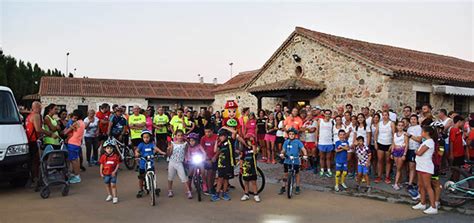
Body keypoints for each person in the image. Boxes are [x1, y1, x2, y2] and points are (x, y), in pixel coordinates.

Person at [25, 102, 58, 185]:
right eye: (40, 107)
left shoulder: (29, 116)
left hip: (30, 140)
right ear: (37, 107)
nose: (41, 109)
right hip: (34, 140)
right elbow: (38, 129)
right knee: (36, 161)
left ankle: (33, 178)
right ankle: (36, 179)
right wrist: (50, 134)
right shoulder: (36, 116)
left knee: (33, 160)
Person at [412, 126, 438, 215]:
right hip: (420, 166)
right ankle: (422, 203)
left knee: (428, 186)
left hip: (426, 167)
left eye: (422, 131)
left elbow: (420, 153)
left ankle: (433, 206)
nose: (421, 133)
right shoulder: (425, 141)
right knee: (421, 185)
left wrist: (415, 151)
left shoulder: (430, 142)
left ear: (426, 133)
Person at [135, 130, 167, 198]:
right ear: (142, 138)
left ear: (150, 137)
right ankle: (141, 190)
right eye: (144, 137)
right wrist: (137, 153)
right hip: (143, 163)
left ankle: (154, 187)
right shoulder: (141, 145)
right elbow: (137, 150)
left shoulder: (151, 144)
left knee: (153, 175)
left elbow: (156, 149)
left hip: (150, 163)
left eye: (147, 137)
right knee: (141, 177)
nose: (146, 139)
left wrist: (162, 152)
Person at [278, 128, 308, 195]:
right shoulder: (286, 142)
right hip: (287, 160)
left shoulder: (298, 142)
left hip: (296, 160)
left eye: (293, 134)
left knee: (297, 174)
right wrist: (282, 153)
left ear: (295, 135)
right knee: (285, 174)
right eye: (290, 134)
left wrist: (305, 155)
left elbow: (303, 149)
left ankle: (297, 187)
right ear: (288, 135)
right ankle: (283, 186)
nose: (291, 135)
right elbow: (283, 150)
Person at [211, 129, 236, 202]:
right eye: (219, 136)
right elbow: (215, 150)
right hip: (221, 164)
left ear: (225, 136)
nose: (220, 138)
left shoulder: (230, 141)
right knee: (220, 179)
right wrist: (216, 141)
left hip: (229, 164)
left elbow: (234, 132)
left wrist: (225, 127)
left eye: (221, 136)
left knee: (226, 179)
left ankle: (224, 193)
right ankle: (217, 193)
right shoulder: (220, 144)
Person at [63, 109, 85, 184]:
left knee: (73, 160)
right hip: (77, 142)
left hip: (73, 143)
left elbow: (65, 132)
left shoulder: (76, 123)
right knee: (75, 159)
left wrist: (68, 128)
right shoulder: (82, 123)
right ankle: (76, 174)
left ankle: (77, 176)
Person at [238, 133, 261, 202]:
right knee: (246, 182)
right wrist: (241, 167)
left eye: (252, 141)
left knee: (253, 182)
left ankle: (256, 194)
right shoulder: (244, 150)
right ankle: (246, 194)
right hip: (245, 168)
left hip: (253, 167)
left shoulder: (255, 147)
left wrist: (253, 144)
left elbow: (254, 152)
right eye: (249, 141)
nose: (250, 142)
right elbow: (241, 159)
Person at [375, 111, 395, 184]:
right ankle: (379, 176)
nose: (384, 116)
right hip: (380, 143)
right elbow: (376, 133)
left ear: (388, 116)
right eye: (383, 115)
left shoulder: (391, 123)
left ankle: (387, 176)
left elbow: (393, 134)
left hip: (388, 144)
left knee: (388, 161)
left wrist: (392, 144)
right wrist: (375, 142)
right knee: (380, 160)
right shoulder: (379, 124)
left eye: (386, 115)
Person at [99, 139, 121, 204]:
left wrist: (114, 171)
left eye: (111, 148)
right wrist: (101, 172)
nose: (109, 149)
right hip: (105, 173)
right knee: (107, 184)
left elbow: (117, 164)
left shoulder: (115, 156)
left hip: (112, 173)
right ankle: (109, 195)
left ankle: (115, 197)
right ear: (105, 149)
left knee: (113, 185)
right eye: (107, 148)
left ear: (113, 149)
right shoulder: (103, 157)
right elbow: (101, 165)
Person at [390, 121, 408, 190]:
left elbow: (406, 145)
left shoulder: (405, 134)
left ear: (403, 127)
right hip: (395, 152)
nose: (400, 127)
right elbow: (393, 144)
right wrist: (392, 153)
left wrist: (404, 154)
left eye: (401, 125)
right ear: (397, 126)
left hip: (401, 152)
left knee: (398, 168)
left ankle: (396, 183)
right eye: (399, 125)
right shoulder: (395, 134)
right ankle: (399, 182)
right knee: (397, 167)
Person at [201, 126, 218, 195]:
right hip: (207, 159)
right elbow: (202, 148)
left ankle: (211, 186)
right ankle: (209, 188)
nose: (207, 133)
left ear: (212, 131)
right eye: (205, 132)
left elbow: (219, 148)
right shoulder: (203, 138)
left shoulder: (216, 137)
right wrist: (206, 158)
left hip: (215, 158)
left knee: (213, 174)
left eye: (209, 132)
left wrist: (215, 156)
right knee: (209, 174)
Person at [317, 109, 334, 177]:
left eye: (329, 114)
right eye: (326, 113)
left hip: (329, 142)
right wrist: (316, 140)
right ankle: (322, 170)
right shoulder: (320, 121)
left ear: (330, 115)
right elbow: (317, 131)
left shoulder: (332, 121)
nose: (327, 115)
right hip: (321, 142)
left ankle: (329, 170)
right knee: (322, 157)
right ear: (324, 114)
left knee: (328, 157)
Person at [406, 115, 422, 188]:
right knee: (410, 167)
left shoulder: (419, 128)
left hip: (415, 149)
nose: (412, 120)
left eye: (414, 119)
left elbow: (419, 139)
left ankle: (411, 183)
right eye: (411, 119)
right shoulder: (409, 128)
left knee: (413, 167)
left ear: (417, 120)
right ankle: (412, 182)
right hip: (409, 148)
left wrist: (410, 136)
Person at [449, 115, 466, 181]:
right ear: (459, 121)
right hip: (456, 153)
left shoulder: (459, 130)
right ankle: (454, 181)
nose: (463, 124)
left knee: (458, 168)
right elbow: (451, 142)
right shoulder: (453, 130)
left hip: (460, 153)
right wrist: (451, 153)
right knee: (456, 169)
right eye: (463, 123)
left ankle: (456, 180)